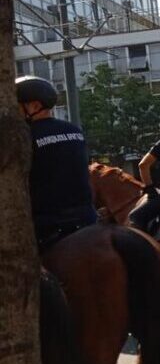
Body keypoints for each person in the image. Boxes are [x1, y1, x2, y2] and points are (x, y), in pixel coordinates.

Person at [16, 76, 97, 252]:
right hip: (87, 217)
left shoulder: (24, 136)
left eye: (18, 106)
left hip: (48, 223)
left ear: (35, 106)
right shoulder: (74, 130)